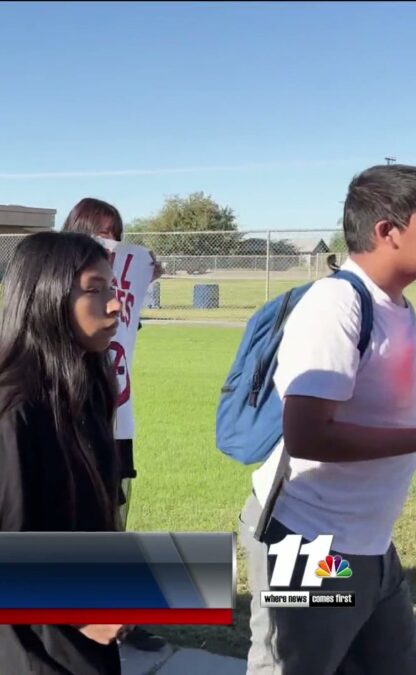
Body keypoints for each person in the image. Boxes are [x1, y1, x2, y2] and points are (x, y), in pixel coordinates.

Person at [240, 164, 416, 674]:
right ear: (388, 230)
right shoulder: (337, 304)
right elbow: (308, 434)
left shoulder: (399, 310)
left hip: (373, 544)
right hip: (311, 541)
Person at [0, 230, 126, 674]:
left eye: (112, 287)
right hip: (35, 652)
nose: (114, 304)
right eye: (94, 289)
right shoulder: (12, 407)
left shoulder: (87, 384)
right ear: (46, 298)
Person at [61, 197, 166, 653]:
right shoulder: (57, 281)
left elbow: (123, 337)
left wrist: (141, 283)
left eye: (115, 232)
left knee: (114, 516)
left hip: (116, 415)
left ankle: (117, 610)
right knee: (69, 514)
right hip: (72, 415)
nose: (110, 240)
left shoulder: (118, 288)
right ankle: (70, 611)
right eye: (99, 232)